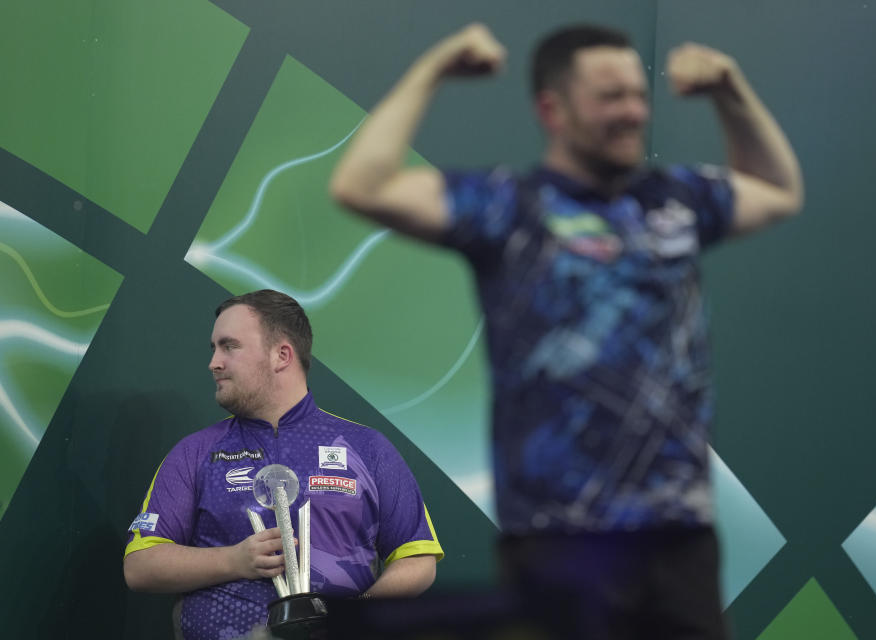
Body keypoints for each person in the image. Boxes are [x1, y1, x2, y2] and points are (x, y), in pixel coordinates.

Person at [330, 22, 802, 640]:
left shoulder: (677, 200)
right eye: (610, 97)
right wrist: (434, 69)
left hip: (678, 536)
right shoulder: (508, 206)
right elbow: (360, 185)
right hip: (560, 538)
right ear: (552, 109)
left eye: (638, 94)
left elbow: (777, 190)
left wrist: (730, 90)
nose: (633, 112)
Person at [123, 289, 443, 640]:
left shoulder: (367, 448)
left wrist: (353, 618)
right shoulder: (194, 453)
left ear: (282, 355)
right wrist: (234, 560)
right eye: (214, 348)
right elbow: (141, 565)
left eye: (229, 346)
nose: (214, 362)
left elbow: (417, 559)